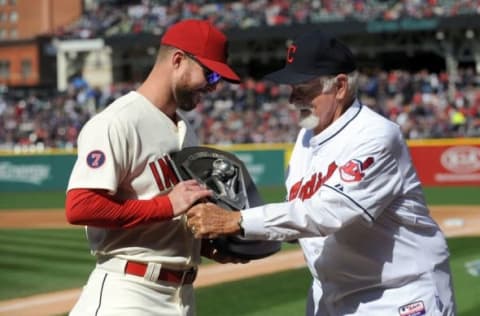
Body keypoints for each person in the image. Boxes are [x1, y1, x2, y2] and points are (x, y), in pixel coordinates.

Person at [186, 30, 457, 316]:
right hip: (331, 296)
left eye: (303, 88)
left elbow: (328, 212)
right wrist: (240, 244)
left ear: (340, 87)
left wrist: (237, 221)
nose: (293, 99)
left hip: (398, 296)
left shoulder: (377, 136)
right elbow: (298, 218)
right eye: (291, 88)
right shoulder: (306, 139)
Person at [65, 19, 243, 316]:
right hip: (128, 293)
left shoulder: (186, 129)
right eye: (210, 74)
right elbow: (81, 207)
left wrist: (209, 247)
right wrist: (165, 206)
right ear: (177, 61)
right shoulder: (117, 122)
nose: (214, 87)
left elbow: (174, 212)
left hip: (182, 295)